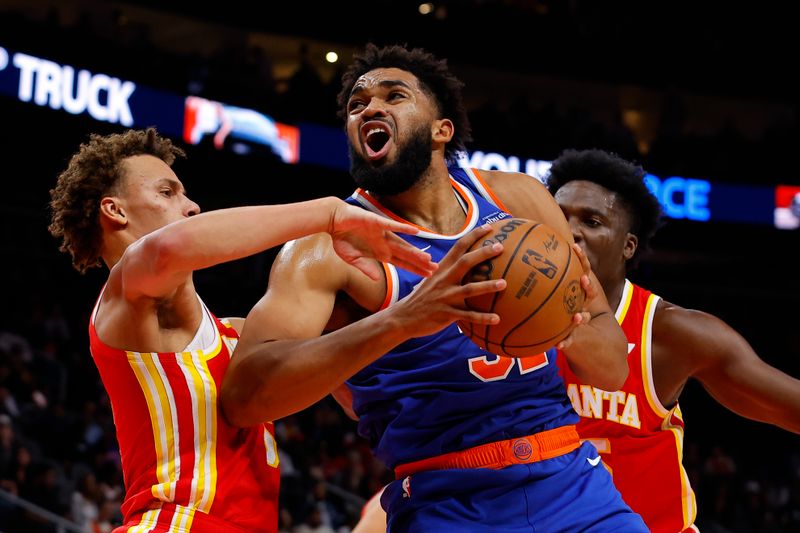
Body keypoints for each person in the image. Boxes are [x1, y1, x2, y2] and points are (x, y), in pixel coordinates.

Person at [222, 44, 648, 532]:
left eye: (394, 96)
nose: (370, 108)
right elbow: (243, 398)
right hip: (446, 500)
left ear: (441, 129)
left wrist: (552, 318)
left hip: (571, 482)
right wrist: (402, 319)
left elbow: (613, 371)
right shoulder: (326, 250)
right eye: (357, 106)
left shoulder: (517, 199)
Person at [47, 127, 443, 533]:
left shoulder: (240, 337)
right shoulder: (124, 301)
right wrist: (328, 214)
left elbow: (350, 387)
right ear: (115, 211)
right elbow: (166, 249)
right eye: (168, 193)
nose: (192, 206)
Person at [546, 148, 800, 533]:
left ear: (628, 246)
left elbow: (787, 406)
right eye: (559, 216)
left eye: (592, 221)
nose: (571, 230)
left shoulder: (668, 333)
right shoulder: (503, 322)